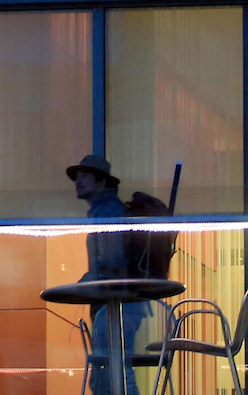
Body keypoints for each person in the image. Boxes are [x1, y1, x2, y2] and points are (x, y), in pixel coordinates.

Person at [68, 155, 145, 395]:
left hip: (118, 305)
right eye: (77, 177)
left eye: (85, 176)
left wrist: (85, 283)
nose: (78, 182)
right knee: (110, 372)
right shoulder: (105, 211)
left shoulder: (107, 212)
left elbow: (111, 263)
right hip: (120, 304)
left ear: (101, 182)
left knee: (117, 372)